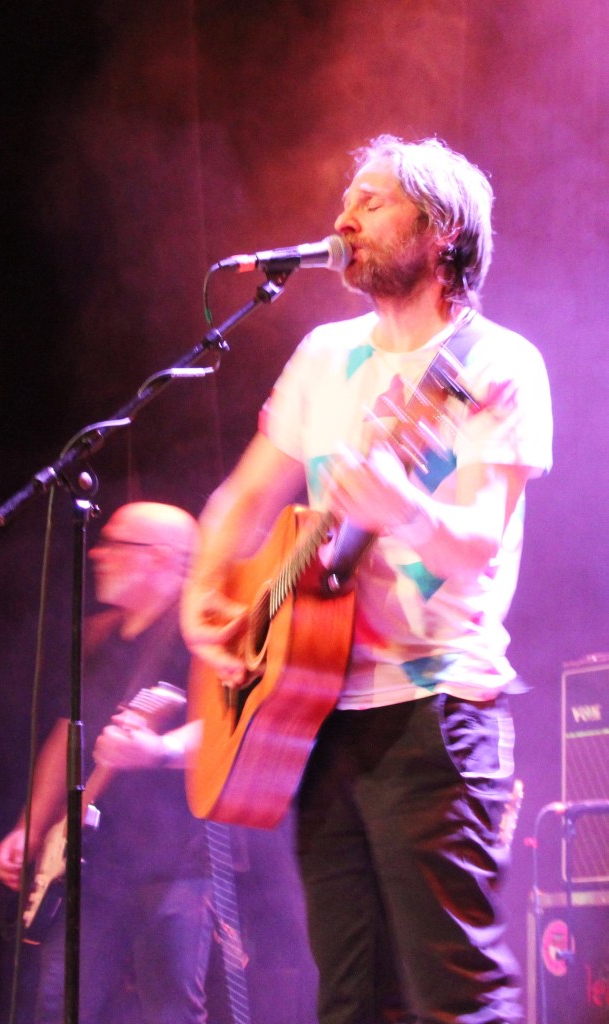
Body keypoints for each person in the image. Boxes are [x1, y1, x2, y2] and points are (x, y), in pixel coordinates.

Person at [181, 135, 553, 1024]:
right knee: (350, 1001)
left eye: (373, 201)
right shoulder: (323, 355)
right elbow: (243, 500)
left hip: (437, 714)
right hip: (316, 712)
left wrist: (402, 509)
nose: (344, 218)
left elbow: (479, 545)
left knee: (454, 996)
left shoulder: (497, 363)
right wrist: (204, 600)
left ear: (441, 230)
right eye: (347, 199)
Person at [0, 502, 213, 1024]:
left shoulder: (200, 632)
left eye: (116, 544)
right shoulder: (95, 637)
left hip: (173, 864)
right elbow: (64, 737)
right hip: (90, 865)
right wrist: (31, 825)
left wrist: (157, 751)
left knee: (170, 1013)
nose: (97, 553)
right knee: (58, 1007)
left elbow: (230, 731)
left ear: (161, 557)